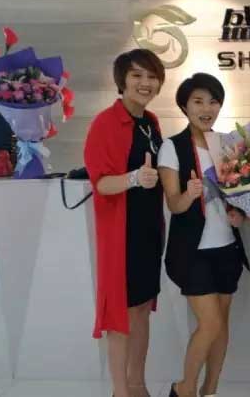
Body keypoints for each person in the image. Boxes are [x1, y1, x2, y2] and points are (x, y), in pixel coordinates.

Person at [158, 73, 248, 397]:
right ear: (185, 106)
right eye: (198, 101)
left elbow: (238, 194)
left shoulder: (226, 144)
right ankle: (184, 389)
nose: (206, 108)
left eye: (213, 101)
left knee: (221, 325)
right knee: (210, 324)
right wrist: (190, 193)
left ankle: (209, 390)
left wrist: (239, 214)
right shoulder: (172, 147)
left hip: (227, 248)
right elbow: (174, 204)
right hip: (192, 251)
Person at [84, 48, 165, 397]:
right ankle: (120, 391)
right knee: (121, 315)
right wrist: (133, 178)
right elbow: (100, 182)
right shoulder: (104, 123)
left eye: (152, 76)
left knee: (142, 309)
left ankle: (137, 384)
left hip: (149, 232)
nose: (145, 83)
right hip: (122, 235)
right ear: (122, 81)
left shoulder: (151, 122)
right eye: (137, 75)